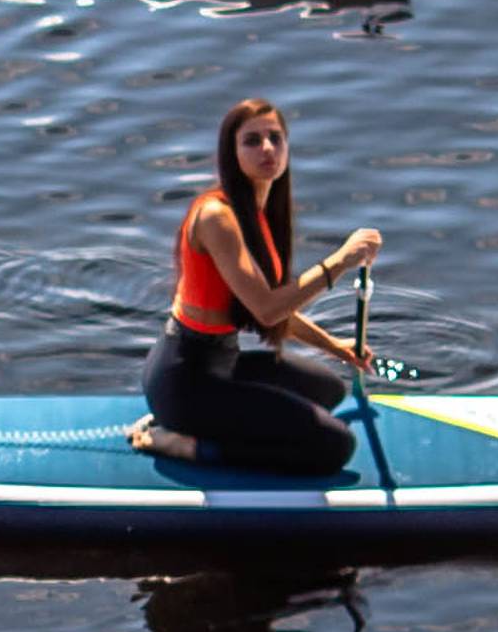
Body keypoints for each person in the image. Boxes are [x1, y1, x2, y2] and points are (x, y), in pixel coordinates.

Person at [131, 93, 380, 473]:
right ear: (231, 153)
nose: (267, 148)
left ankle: (219, 425)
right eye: (252, 140)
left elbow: (265, 308)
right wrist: (341, 260)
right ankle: (186, 444)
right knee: (334, 447)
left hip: (223, 364)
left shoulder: (258, 214)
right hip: (186, 382)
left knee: (329, 389)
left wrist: (336, 348)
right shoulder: (216, 216)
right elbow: (267, 308)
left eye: (275, 138)